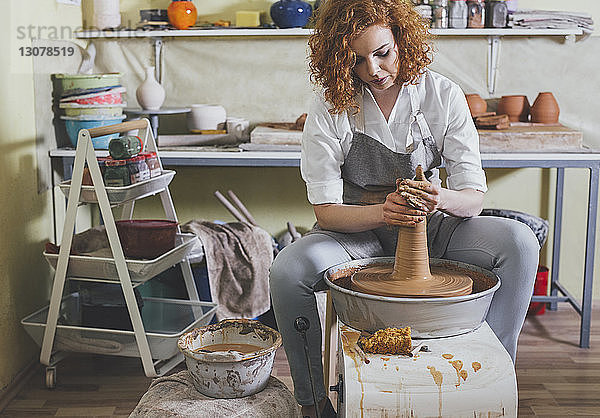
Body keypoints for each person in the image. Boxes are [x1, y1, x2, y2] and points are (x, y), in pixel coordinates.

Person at [270, 0, 540, 416]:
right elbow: (326, 211)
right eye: (356, 60)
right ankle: (312, 402)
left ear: (402, 40)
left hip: (433, 229)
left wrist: (441, 198)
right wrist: (384, 212)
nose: (372, 70)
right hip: (358, 234)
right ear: (338, 60)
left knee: (520, 242)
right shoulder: (331, 106)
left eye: (382, 53)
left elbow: (472, 196)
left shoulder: (442, 95)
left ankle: (494, 373)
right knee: (287, 269)